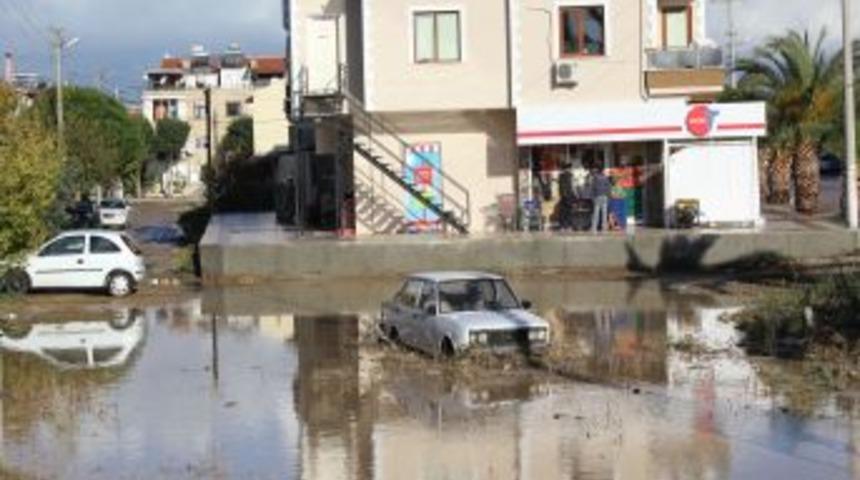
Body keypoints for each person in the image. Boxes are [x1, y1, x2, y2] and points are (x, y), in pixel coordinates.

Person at [589, 167, 612, 233]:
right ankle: (604, 229)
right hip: (604, 197)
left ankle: (594, 228)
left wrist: (592, 197)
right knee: (604, 213)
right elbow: (608, 188)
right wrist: (609, 197)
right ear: (602, 172)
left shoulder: (595, 178)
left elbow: (592, 188)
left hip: (597, 196)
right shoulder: (605, 178)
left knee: (596, 213)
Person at [558, 162, 575, 231]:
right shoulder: (570, 176)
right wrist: (573, 195)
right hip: (568, 196)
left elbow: (560, 187)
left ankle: (563, 226)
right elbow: (571, 187)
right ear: (568, 168)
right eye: (570, 168)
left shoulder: (561, 176)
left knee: (563, 211)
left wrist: (563, 195)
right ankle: (568, 226)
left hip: (563, 196)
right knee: (569, 211)